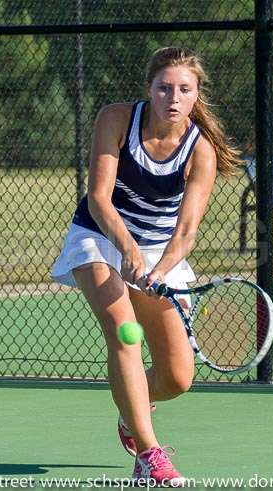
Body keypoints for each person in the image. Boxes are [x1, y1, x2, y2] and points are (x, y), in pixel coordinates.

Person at [51, 46, 242, 485]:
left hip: (160, 254)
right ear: (149, 90)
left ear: (197, 95)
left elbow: (186, 232)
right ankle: (149, 453)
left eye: (184, 90)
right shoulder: (116, 120)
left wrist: (157, 269)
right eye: (164, 88)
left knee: (177, 378)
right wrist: (129, 252)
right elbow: (99, 198)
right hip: (99, 236)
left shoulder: (201, 152)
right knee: (123, 328)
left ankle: (132, 411)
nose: (172, 98)